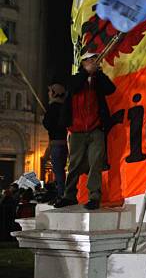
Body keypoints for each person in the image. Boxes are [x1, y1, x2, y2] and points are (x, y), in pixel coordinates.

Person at [54, 53, 116, 210]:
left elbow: (111, 89)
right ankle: (69, 195)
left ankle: (94, 196)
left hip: (96, 128)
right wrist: (86, 72)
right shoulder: (76, 78)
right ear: (82, 62)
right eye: (88, 59)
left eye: (94, 59)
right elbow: (73, 86)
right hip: (77, 130)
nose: (92, 61)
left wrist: (98, 72)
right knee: (74, 164)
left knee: (96, 163)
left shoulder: (98, 80)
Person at [43, 83, 68, 199]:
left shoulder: (53, 107)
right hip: (64, 142)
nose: (48, 94)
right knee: (61, 169)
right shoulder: (64, 107)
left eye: (49, 92)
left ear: (54, 93)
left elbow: (47, 124)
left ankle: (61, 194)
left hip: (56, 143)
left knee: (58, 170)